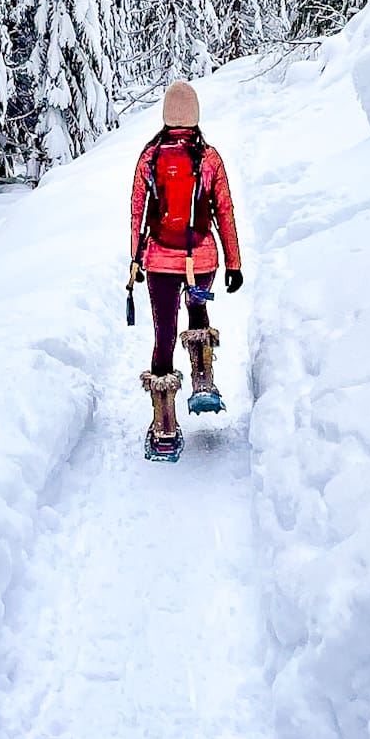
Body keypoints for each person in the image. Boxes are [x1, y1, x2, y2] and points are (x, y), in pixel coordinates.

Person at [127, 79, 243, 461]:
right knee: (197, 312)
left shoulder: (150, 156)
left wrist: (135, 259)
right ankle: (203, 378)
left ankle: (164, 427)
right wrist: (234, 262)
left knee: (163, 332)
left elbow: (137, 212)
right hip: (203, 260)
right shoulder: (208, 158)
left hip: (160, 261)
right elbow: (223, 211)